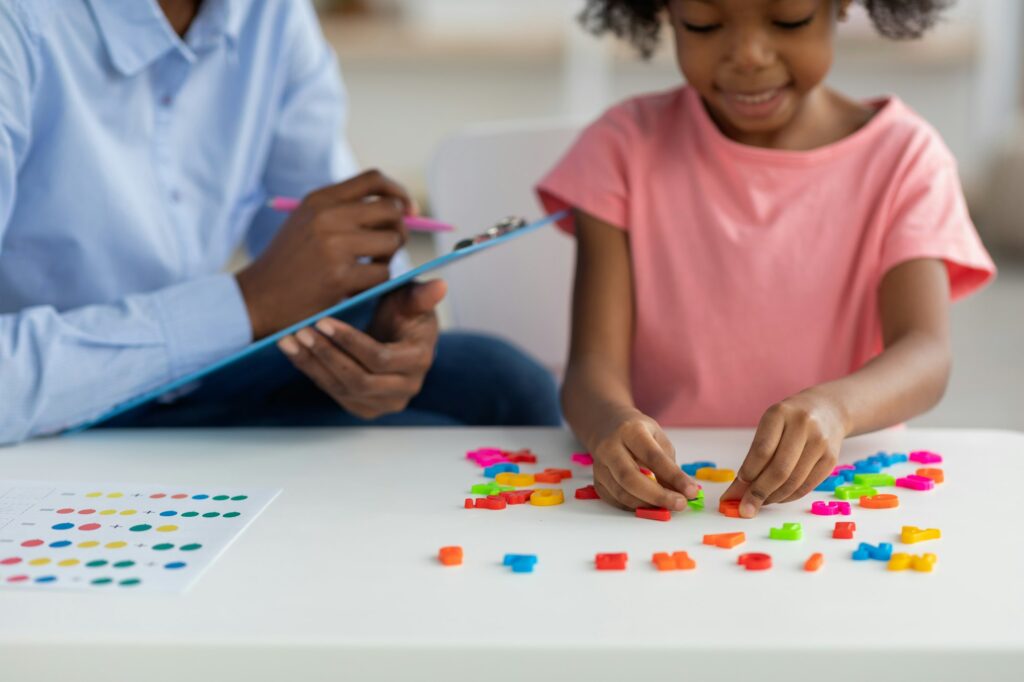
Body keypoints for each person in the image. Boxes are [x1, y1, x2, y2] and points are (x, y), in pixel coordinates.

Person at [0, 0, 560, 445]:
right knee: (425, 452)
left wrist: (386, 323)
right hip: (57, 398)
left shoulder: (270, 14)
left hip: (203, 372)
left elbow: (330, 251)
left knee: (504, 381)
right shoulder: (21, 27)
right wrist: (248, 304)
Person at [537, 0, 995, 517]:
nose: (748, 56)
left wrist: (836, 408)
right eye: (704, 26)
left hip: (841, 497)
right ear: (665, 12)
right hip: (669, 500)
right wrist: (608, 426)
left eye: (789, 20)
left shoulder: (906, 160)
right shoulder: (621, 147)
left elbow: (926, 355)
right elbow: (592, 367)